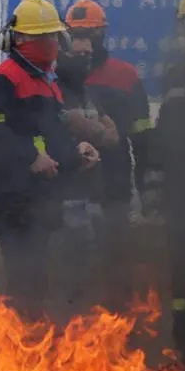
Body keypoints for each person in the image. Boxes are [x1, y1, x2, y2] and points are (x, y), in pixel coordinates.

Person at [0, 0, 100, 321]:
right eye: (45, 37)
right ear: (21, 40)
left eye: (55, 36)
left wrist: (76, 153)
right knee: (24, 283)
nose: (52, 44)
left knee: (36, 283)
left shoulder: (47, 83)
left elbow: (51, 140)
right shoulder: (3, 78)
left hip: (37, 202)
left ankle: (26, 347)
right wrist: (30, 156)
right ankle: (13, 350)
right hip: (11, 200)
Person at [64, 0, 152, 311]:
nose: (84, 43)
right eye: (76, 35)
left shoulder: (125, 76)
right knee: (72, 274)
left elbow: (142, 140)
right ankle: (73, 340)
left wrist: (148, 191)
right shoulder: (57, 78)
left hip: (114, 190)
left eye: (91, 34)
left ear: (104, 35)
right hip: (70, 191)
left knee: (117, 269)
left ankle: (120, 339)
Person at [145, 0, 185, 371]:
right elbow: (164, 137)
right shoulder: (175, 75)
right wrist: (154, 188)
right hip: (182, 203)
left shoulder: (176, 74)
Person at [51, 33, 120, 306]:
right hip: (65, 196)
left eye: (88, 55)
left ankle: (84, 333)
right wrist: (96, 131)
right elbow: (74, 124)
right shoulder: (53, 89)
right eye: (78, 55)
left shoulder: (88, 94)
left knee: (92, 271)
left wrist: (93, 130)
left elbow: (113, 135)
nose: (85, 61)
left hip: (93, 195)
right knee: (66, 273)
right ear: (63, 56)